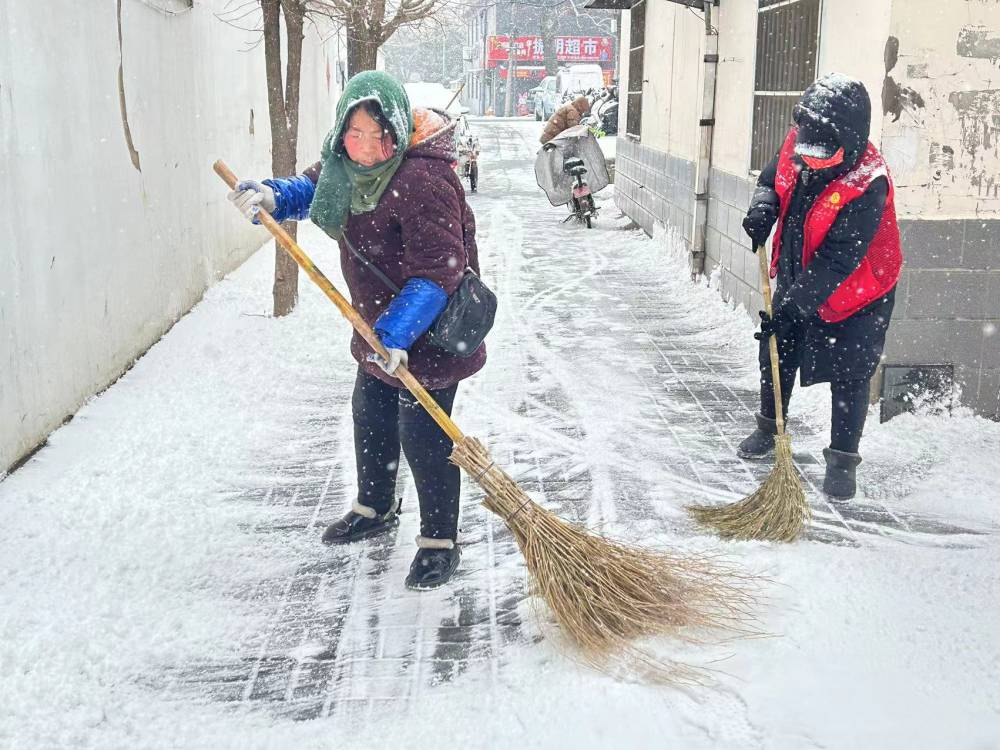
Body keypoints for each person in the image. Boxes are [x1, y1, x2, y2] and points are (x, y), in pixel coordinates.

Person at [228, 71, 485, 589]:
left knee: (426, 437)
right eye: (355, 134)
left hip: (432, 332)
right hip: (380, 329)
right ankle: (375, 506)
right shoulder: (344, 168)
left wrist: (396, 336)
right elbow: (313, 188)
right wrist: (273, 197)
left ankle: (439, 541)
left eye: (378, 135)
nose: (366, 148)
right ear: (341, 133)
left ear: (395, 129)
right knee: (370, 415)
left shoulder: (425, 180)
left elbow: (439, 271)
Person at [737, 73, 902, 500]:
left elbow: (838, 261)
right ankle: (769, 430)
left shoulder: (869, 183)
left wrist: (792, 306)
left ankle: (843, 462)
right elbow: (773, 175)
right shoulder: (806, 138)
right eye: (804, 148)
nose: (807, 159)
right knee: (777, 348)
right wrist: (764, 207)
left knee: (850, 373)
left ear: (847, 141)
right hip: (802, 271)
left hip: (859, 291)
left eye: (819, 153)